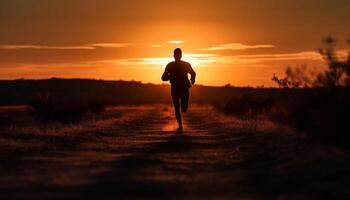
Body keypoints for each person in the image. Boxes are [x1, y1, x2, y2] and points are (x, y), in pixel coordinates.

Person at [161, 48, 196, 131]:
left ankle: (184, 108)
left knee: (183, 108)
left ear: (180, 56)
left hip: (184, 88)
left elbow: (193, 73)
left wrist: (192, 79)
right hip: (175, 88)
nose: (177, 56)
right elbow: (163, 77)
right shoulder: (170, 65)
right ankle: (180, 125)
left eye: (178, 55)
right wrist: (169, 76)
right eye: (176, 55)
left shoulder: (185, 64)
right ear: (174, 56)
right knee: (177, 108)